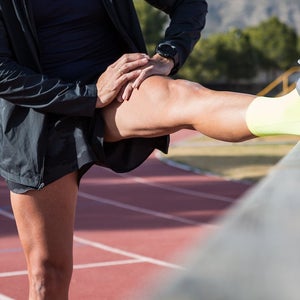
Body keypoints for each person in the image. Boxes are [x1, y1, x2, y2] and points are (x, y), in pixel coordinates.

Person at [0, 0, 299, 299]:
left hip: (116, 87)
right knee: (46, 272)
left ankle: (289, 111)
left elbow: (189, 3)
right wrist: (86, 96)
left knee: (183, 97)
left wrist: (170, 53)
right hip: (36, 113)